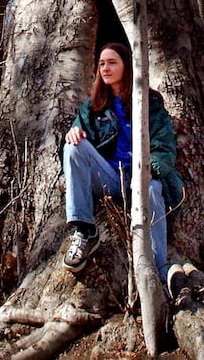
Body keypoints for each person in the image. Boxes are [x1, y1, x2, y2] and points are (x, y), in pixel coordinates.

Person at [62, 42, 184, 280]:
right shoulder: (93, 107)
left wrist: (149, 169)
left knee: (151, 190)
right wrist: (73, 132)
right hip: (109, 177)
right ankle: (85, 230)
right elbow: (76, 146)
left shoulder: (150, 103)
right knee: (72, 147)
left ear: (126, 66)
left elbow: (165, 146)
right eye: (101, 64)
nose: (105, 68)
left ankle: (157, 273)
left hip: (142, 177)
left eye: (112, 62)